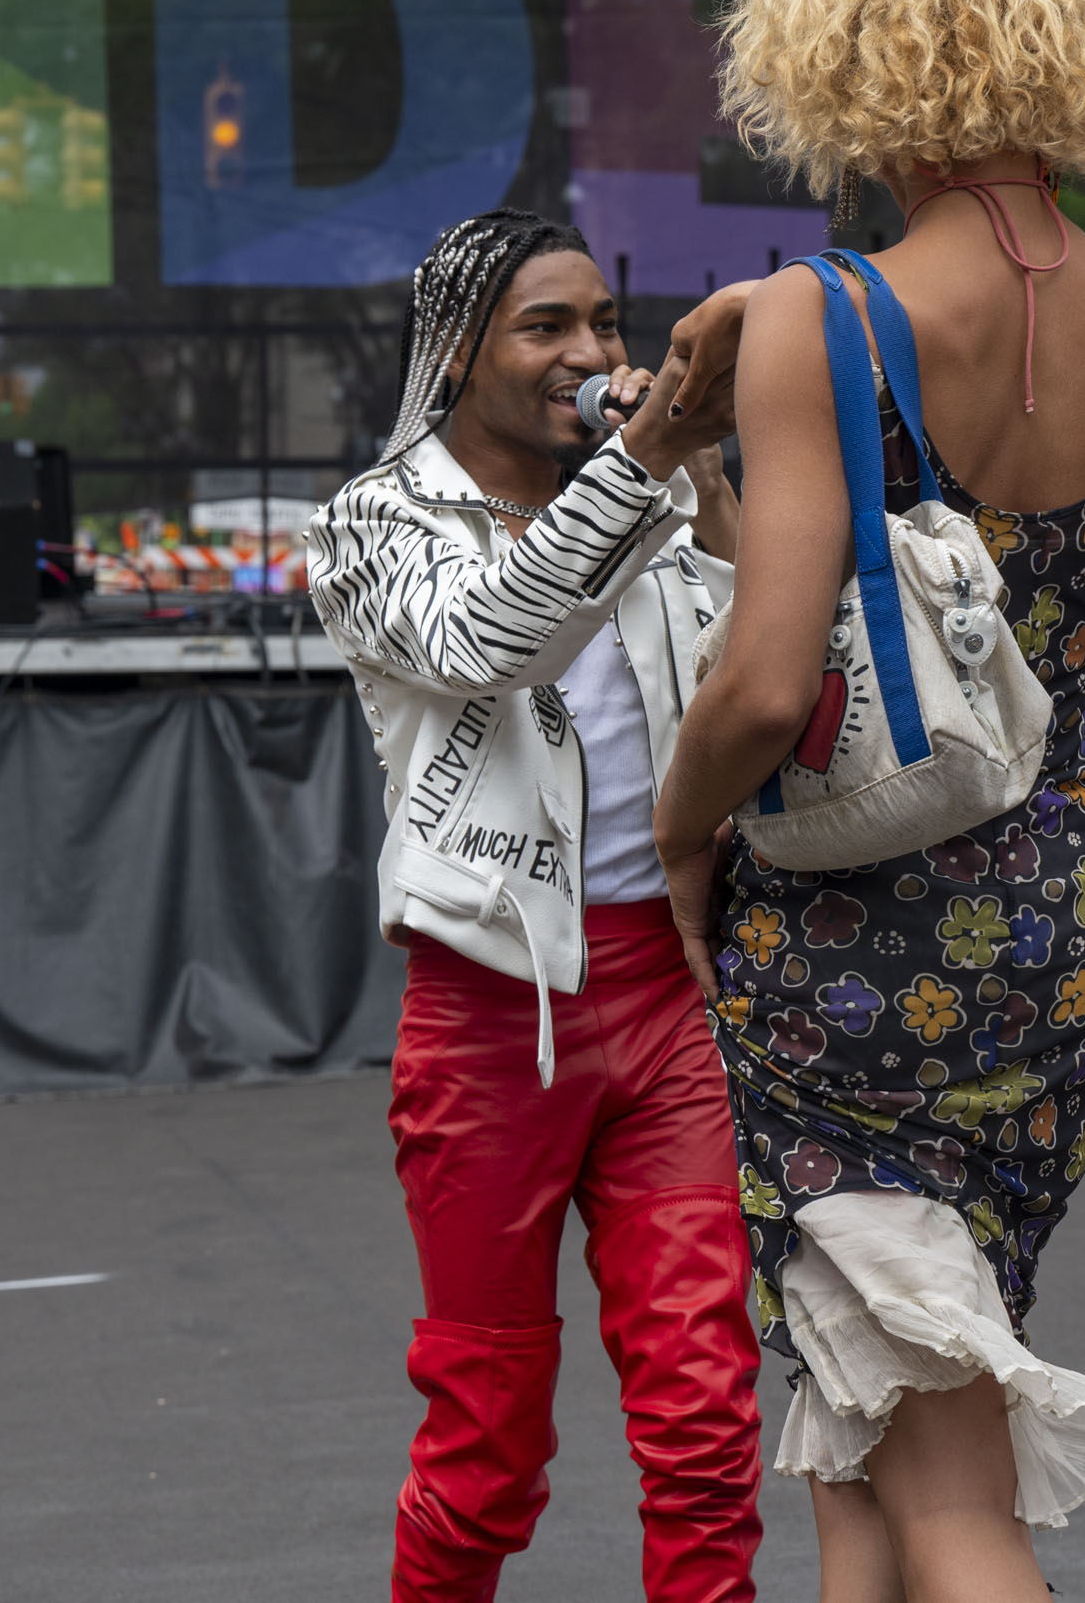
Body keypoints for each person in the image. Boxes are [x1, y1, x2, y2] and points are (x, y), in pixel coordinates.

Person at [651, 0, 1085, 1601]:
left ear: (853, 53)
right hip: (1049, 899)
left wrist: (681, 834)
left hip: (859, 927)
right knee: (871, 1419)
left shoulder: (831, 314)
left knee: (946, 1476)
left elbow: (766, 675)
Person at [304, 209, 762, 1603]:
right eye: (545, 328)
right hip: (494, 1014)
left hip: (669, 993)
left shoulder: (651, 484)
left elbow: (755, 645)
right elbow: (494, 638)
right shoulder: (370, 522)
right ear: (457, 360)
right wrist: (639, 462)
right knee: (485, 1447)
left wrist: (705, 475)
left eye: (604, 324)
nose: (590, 353)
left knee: (705, 1413)